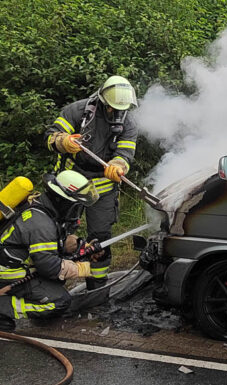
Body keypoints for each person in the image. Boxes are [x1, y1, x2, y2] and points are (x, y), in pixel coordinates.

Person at [45, 75, 138, 292]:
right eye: (111, 108)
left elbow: (126, 152)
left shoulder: (129, 122)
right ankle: (53, 287)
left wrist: (118, 166)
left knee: (101, 240)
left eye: (120, 109)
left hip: (102, 190)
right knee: (59, 234)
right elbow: (50, 137)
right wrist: (63, 141)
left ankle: (97, 288)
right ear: (102, 100)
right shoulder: (76, 111)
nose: (116, 113)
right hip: (69, 186)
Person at [0, 171, 101, 331]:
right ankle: (4, 308)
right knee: (59, 302)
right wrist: (83, 269)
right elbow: (49, 266)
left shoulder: (45, 210)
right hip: (9, 275)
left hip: (20, 266)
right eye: (76, 206)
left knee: (57, 284)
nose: (78, 212)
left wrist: (80, 246)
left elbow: (52, 245)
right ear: (63, 201)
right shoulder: (41, 223)